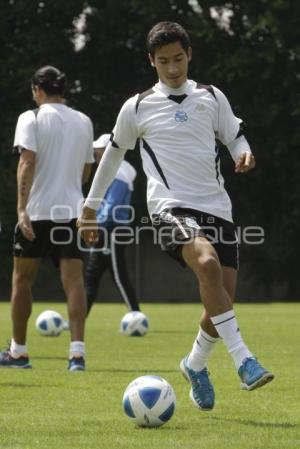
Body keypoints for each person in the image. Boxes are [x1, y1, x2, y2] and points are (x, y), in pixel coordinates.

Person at [78, 22, 274, 408]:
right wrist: (90, 206)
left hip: (218, 208)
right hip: (169, 207)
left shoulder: (212, 97)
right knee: (207, 264)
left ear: (189, 55)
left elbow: (234, 136)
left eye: (179, 59)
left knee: (220, 300)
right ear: (151, 61)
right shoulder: (137, 106)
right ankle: (245, 360)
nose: (172, 68)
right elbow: (114, 155)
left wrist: (242, 153)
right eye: (164, 61)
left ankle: (195, 364)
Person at [0, 66, 94, 371]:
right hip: (72, 213)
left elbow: (27, 161)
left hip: (38, 212)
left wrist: (21, 209)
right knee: (74, 282)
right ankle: (77, 355)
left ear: (37, 90)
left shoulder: (31, 117)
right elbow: (86, 171)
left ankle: (19, 352)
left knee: (22, 280)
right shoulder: (83, 121)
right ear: (62, 90)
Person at [85, 134, 140, 315]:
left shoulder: (118, 171)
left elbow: (112, 206)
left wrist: (95, 224)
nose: (96, 154)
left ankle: (135, 315)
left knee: (118, 274)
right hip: (105, 228)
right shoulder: (113, 169)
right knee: (93, 274)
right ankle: (78, 316)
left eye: (98, 150)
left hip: (113, 229)